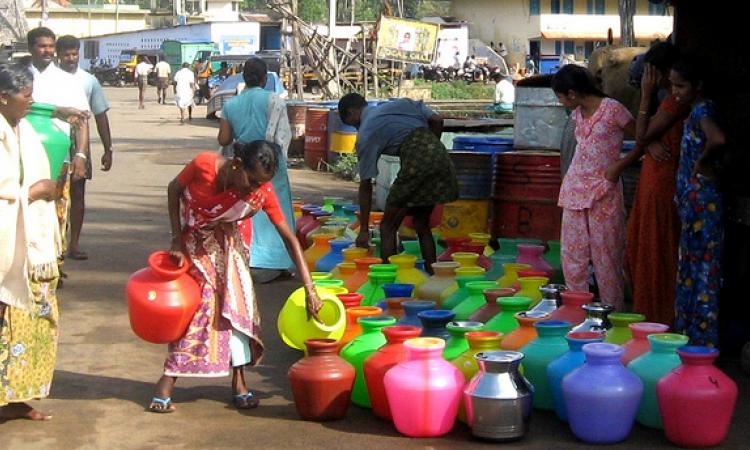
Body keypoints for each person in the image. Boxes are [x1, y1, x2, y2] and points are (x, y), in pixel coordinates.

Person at [149, 141, 322, 413]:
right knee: (203, 306)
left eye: (260, 184)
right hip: (194, 242)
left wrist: (311, 290)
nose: (254, 190)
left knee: (237, 307)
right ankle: (167, 380)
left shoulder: (262, 191)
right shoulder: (204, 164)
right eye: (251, 181)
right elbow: (174, 189)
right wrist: (175, 240)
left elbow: (290, 239)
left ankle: (239, 381)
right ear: (236, 165)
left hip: (232, 243)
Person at [605, 42, 689, 327]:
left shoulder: (673, 100)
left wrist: (645, 95)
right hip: (654, 181)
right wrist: (650, 140)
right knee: (641, 248)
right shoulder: (670, 99)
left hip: (662, 183)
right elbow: (647, 137)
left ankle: (656, 319)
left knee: (655, 252)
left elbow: (640, 135)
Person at [1, 62, 63, 422]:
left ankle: (17, 395)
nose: (31, 102)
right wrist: (33, 191)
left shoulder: (23, 130)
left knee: (35, 320)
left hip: (33, 246)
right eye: (25, 96)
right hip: (5, 243)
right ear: (3, 98)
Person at [337, 93, 458, 274]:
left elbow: (366, 184)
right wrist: (430, 150)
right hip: (442, 159)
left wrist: (363, 230)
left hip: (416, 163)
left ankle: (388, 280)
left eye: (353, 124)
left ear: (351, 113)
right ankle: (434, 276)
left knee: (387, 226)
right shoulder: (403, 104)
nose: (356, 128)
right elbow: (437, 120)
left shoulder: (366, 132)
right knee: (421, 223)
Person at [552, 64, 635, 310]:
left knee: (606, 256)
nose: (561, 102)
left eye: (560, 97)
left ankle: (612, 313)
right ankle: (576, 310)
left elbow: (641, 138)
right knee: (573, 256)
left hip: (604, 191)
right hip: (574, 191)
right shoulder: (577, 115)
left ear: (572, 93)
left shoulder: (613, 110)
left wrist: (619, 166)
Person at [218, 58, 295, 283]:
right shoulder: (275, 101)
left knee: (247, 211)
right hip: (270, 163)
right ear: (264, 79)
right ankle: (278, 262)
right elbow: (282, 137)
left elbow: (224, 138)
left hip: (244, 164)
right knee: (276, 212)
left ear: (244, 78)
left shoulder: (231, 105)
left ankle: (248, 258)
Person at [669, 57, 727, 347]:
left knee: (702, 267)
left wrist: (703, 162)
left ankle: (701, 340)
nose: (675, 92)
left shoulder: (703, 109)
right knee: (694, 265)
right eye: (672, 85)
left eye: (680, 86)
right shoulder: (695, 110)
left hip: (703, 201)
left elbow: (717, 139)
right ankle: (691, 336)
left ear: (698, 85)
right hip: (695, 202)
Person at [25, 27, 89, 280]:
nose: (48, 51)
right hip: (23, 156)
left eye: (51, 46)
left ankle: (54, 263)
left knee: (57, 211)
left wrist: (80, 156)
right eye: (42, 46)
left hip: (57, 157)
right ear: (31, 48)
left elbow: (82, 120)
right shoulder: (18, 76)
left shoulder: (67, 81)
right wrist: (57, 109)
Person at [56, 35, 114, 261]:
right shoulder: (49, 79)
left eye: (74, 54)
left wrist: (108, 148)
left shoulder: (89, 81)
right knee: (55, 192)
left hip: (79, 140)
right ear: (58, 55)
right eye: (66, 54)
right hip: (55, 140)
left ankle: (74, 243)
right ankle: (56, 244)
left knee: (78, 193)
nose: (71, 58)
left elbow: (100, 116)